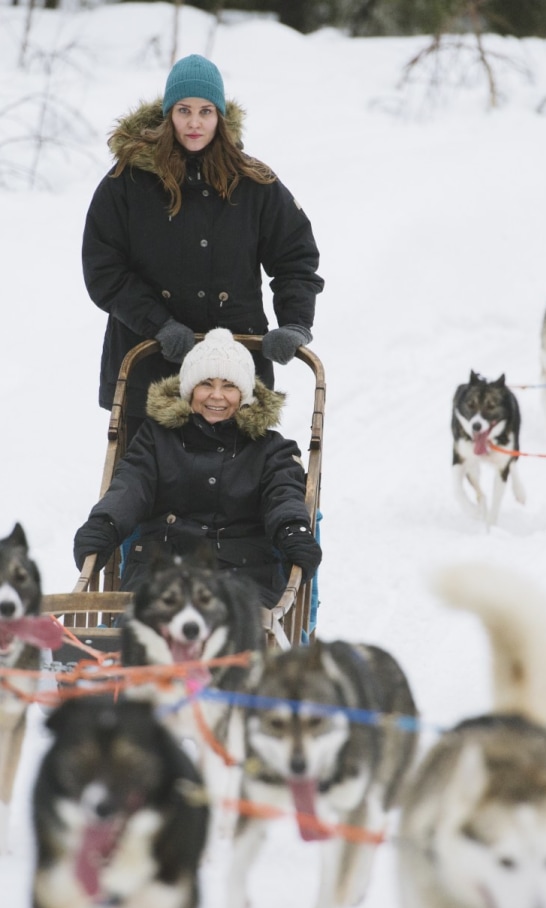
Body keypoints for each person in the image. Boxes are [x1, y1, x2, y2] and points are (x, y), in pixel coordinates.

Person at [82, 54, 324, 436]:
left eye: (206, 111)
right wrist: (157, 323)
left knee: (240, 485)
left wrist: (294, 324)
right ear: (168, 114)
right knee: (145, 482)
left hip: (234, 372)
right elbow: (103, 269)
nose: (194, 122)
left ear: (220, 116)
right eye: (183, 110)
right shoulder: (126, 183)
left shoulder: (255, 182)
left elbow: (295, 257)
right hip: (150, 366)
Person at [73, 329, 323, 608]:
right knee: (148, 627)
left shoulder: (271, 449)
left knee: (235, 633)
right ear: (189, 389)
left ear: (245, 395)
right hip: (161, 570)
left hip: (244, 576)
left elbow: (284, 494)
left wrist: (292, 529)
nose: (216, 396)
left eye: (229, 385)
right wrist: (105, 522)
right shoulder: (156, 437)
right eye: (206, 383)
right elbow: (132, 484)